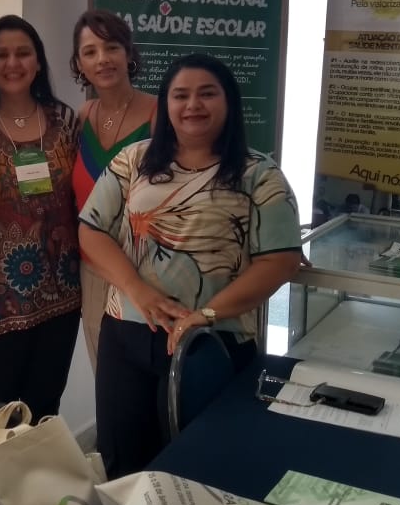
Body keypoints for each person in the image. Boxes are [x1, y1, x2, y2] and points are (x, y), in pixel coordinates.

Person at [78, 53, 302, 477]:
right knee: (123, 461)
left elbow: (281, 259)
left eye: (206, 94)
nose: (192, 105)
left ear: (229, 102)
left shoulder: (259, 174)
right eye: (180, 95)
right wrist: (138, 291)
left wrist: (207, 314)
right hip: (127, 332)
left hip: (215, 340)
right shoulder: (134, 160)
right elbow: (90, 230)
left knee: (204, 464)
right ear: (165, 105)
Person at [0, 15, 81, 420]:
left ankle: (40, 485)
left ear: (37, 63)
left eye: (22, 53)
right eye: (2, 54)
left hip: (63, 289)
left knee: (46, 403)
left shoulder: (64, 120)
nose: (12, 63)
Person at [70, 9, 157, 371]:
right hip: (93, 271)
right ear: (79, 63)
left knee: (152, 386)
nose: (102, 59)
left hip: (149, 272)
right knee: (107, 384)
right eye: (90, 52)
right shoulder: (81, 117)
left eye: (111, 47)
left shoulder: (162, 113)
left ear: (128, 53)